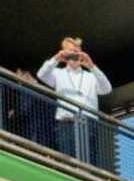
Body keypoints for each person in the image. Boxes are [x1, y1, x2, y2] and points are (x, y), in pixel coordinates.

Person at [36, 37, 112, 169]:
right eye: (70, 51)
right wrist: (56, 59)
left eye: (76, 51)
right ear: (64, 53)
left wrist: (91, 66)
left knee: (89, 166)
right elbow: (41, 74)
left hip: (89, 125)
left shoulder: (91, 76)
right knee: (67, 164)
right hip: (66, 124)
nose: (74, 54)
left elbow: (107, 88)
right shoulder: (58, 74)